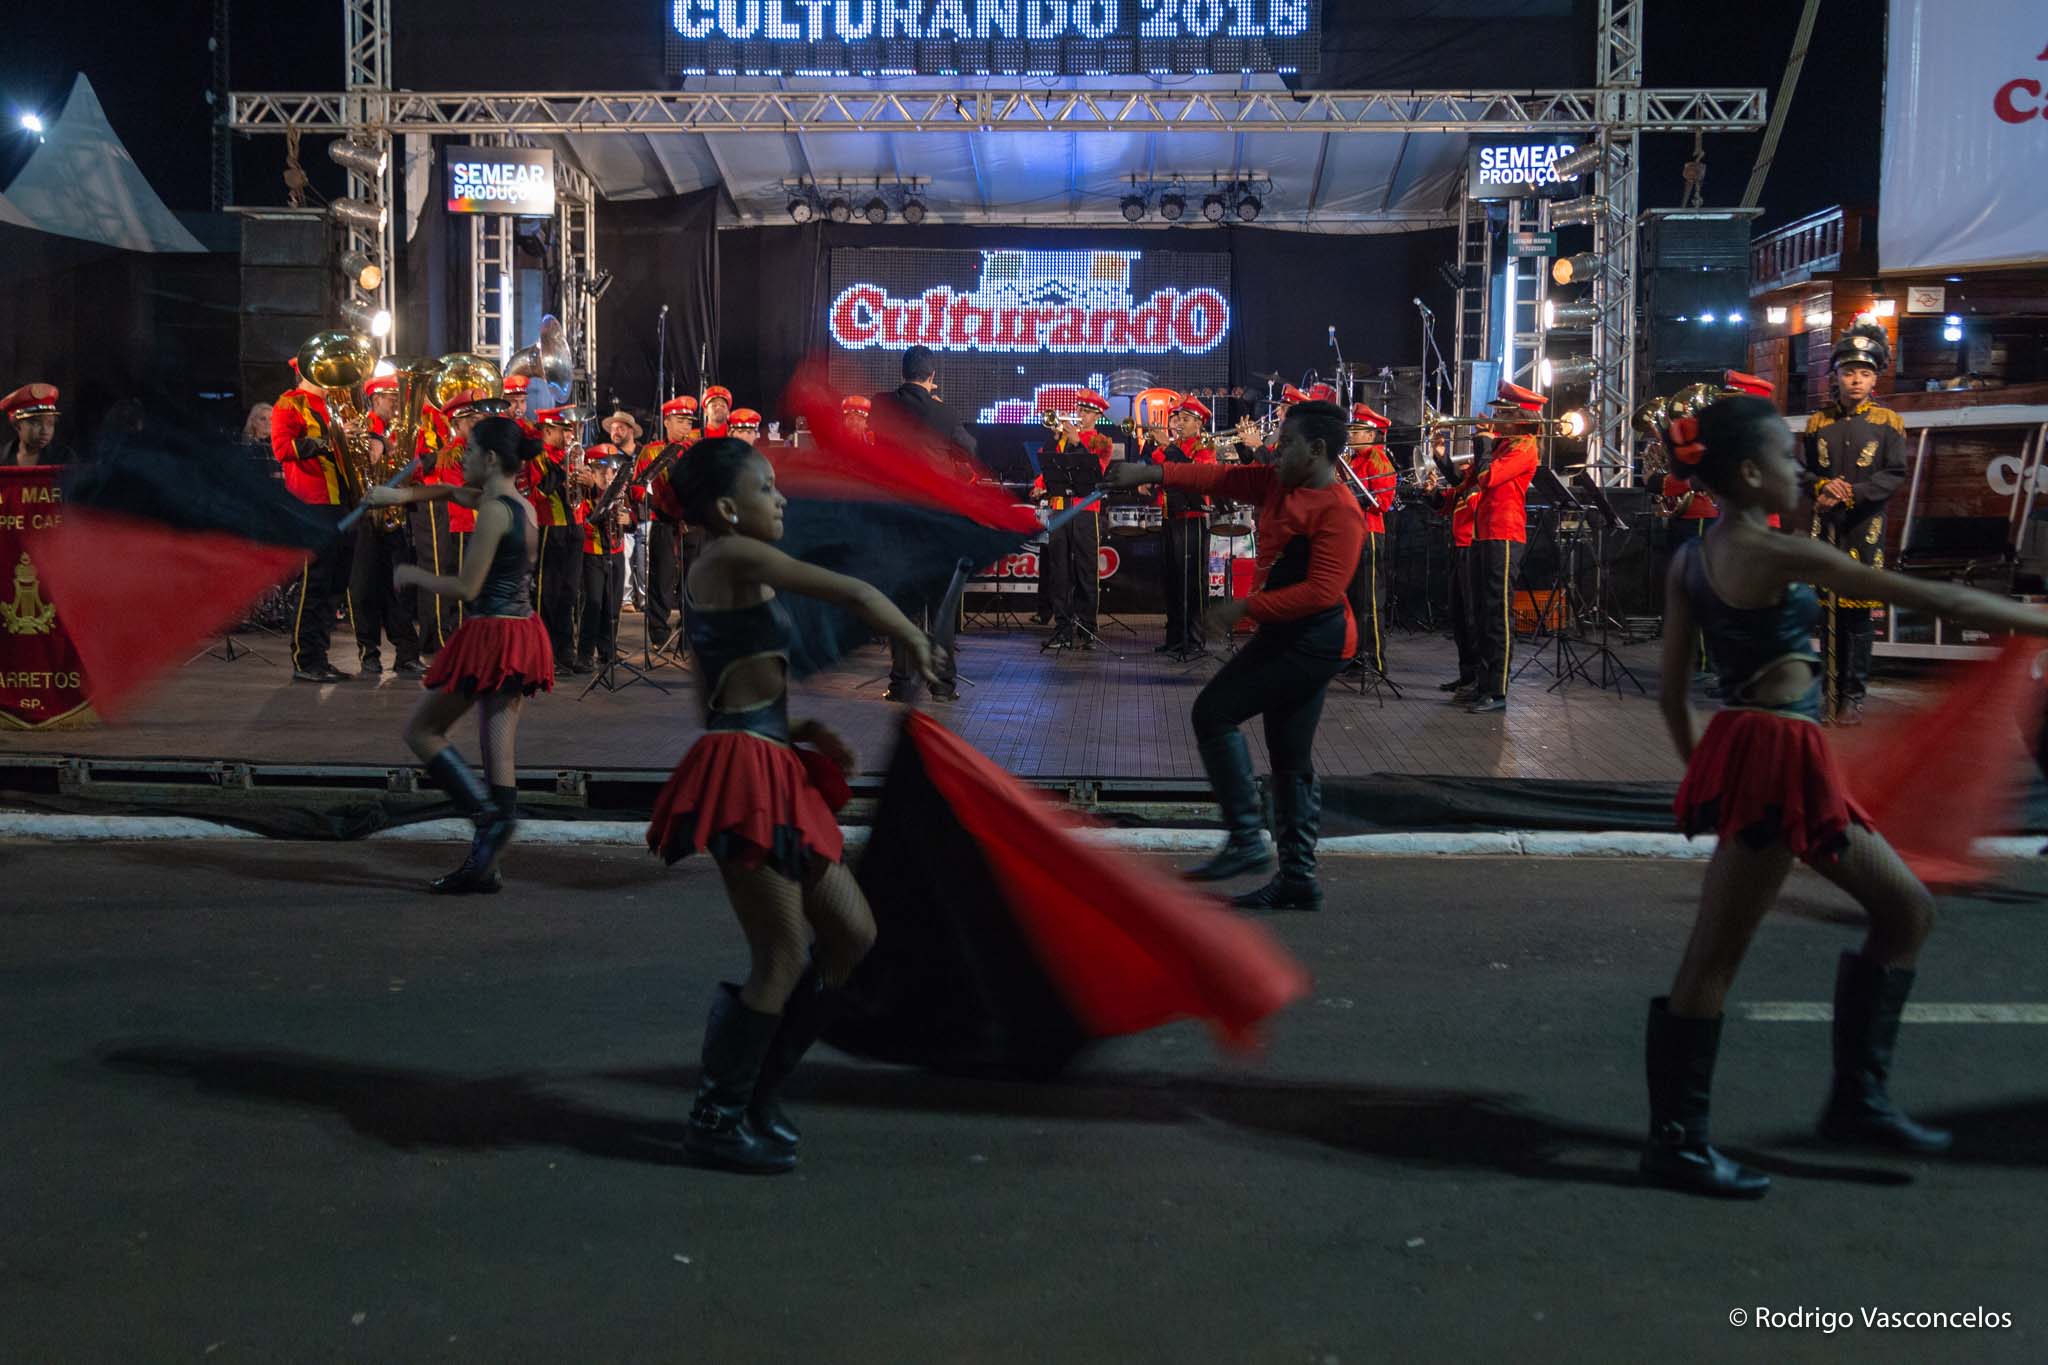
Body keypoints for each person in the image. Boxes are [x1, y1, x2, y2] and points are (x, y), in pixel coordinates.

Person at [1644, 393, 2048, 1199]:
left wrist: (1705, 777)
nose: (1801, 470)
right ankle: (1678, 1145)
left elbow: (1671, 695)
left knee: (1905, 910)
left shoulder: (1691, 559)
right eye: (1786, 457)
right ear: (1750, 473)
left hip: (1765, 755)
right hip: (1777, 758)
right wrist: (2033, 619)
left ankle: (1856, 1104)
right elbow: (1936, 599)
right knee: (1714, 956)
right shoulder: (1777, 551)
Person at [644, 436, 938, 1173]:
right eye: (767, 489)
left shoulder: (723, 565)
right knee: (779, 953)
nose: (782, 500)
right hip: (747, 772)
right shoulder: (732, 556)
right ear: (725, 508)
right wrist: (910, 633)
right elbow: (853, 593)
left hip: (765, 756)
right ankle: (717, 1116)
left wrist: (798, 728)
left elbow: (719, 691)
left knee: (851, 934)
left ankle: (756, 1095)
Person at [1107, 400, 1365, 910]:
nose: (1274, 450)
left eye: (1285, 443)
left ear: (1316, 450)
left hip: (1314, 639)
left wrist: (1243, 608)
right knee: (1289, 756)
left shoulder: (1339, 511)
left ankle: (1247, 839)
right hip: (1293, 635)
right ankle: (1297, 880)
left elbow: (1321, 592)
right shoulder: (1277, 483)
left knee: (1214, 712)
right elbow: (1218, 476)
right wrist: (1151, 471)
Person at [362, 416, 554, 894]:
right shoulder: (520, 505)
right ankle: (486, 866)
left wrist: (414, 576)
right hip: (521, 632)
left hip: (492, 635)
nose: (460, 459)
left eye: (468, 452)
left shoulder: (493, 512)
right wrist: (399, 496)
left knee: (423, 731)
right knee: (497, 748)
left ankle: (487, 819)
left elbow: (467, 587)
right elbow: (450, 492)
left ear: (489, 458)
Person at [1805, 321, 1908, 726]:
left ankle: (1853, 696)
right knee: (1827, 614)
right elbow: (1803, 472)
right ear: (1836, 376)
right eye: (1849, 372)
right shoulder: (1818, 422)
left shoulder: (1888, 422)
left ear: (1875, 378)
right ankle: (1828, 695)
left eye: (1864, 373)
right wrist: (1821, 487)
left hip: (1864, 530)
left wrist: (1852, 493)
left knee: (1859, 617)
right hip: (1826, 528)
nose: (1856, 380)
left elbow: (1894, 474)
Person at [874, 346, 971, 702]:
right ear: (932, 377)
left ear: (902, 373)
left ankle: (902, 683)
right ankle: (942, 685)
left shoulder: (882, 405)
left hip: (898, 521)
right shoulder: (945, 413)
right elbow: (970, 450)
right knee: (941, 606)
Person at [271, 366, 357, 682]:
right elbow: (282, 449)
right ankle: (305, 660)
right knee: (314, 583)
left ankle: (319, 656)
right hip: (312, 502)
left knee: (334, 585)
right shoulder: (290, 402)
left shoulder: (334, 405)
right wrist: (331, 441)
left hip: (342, 501)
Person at [1464, 382, 1544, 714]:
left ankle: (1497, 690)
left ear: (1519, 418)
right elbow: (1471, 478)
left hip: (1505, 533)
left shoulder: (1524, 447)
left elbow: (1488, 478)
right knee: (1482, 611)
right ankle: (1482, 683)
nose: (1496, 419)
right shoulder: (1503, 445)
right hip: (1484, 531)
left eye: (1503, 414)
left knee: (1498, 612)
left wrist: (1484, 442)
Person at [352, 373, 425, 678]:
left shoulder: (400, 430)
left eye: (398, 398)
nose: (397, 404)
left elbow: (414, 471)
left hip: (394, 517)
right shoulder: (363, 426)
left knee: (399, 589)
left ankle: (406, 653)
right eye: (392, 398)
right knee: (365, 587)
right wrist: (382, 444)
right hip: (366, 518)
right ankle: (369, 653)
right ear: (376, 398)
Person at [1143, 396, 1218, 658]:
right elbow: (1157, 468)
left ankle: (1194, 639)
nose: (1179, 423)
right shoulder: (1172, 447)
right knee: (1172, 579)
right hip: (1170, 516)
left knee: (1193, 582)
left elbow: (1194, 474)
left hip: (1193, 517)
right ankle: (1174, 637)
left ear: (1199, 423)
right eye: (1178, 419)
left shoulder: (1204, 447)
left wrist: (1167, 447)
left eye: (1186, 419)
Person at [1040, 390, 1112, 649]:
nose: (1080, 415)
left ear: (1097, 416)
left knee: (1086, 569)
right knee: (1059, 570)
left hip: (1086, 510)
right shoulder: (1061, 439)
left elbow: (1096, 471)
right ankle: (1062, 628)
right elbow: (1048, 466)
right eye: (1079, 410)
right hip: (1060, 507)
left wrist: (1077, 441)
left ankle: (1087, 628)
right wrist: (1040, 484)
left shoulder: (1102, 441)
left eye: (1086, 412)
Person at [634, 396, 699, 648]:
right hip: (663, 523)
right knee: (661, 579)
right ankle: (659, 633)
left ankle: (688, 633)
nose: (685, 427)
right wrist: (656, 501)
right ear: (667, 422)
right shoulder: (651, 451)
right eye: (680, 421)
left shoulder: (694, 450)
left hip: (692, 525)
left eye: (688, 422)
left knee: (691, 581)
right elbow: (637, 488)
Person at [526, 407, 583, 670]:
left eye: (570, 430)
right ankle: (544, 650)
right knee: (547, 593)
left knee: (569, 592)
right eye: (564, 430)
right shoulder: (538, 457)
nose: (570, 435)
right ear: (547, 431)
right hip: (550, 527)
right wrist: (559, 472)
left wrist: (588, 481)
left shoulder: (573, 455)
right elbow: (535, 493)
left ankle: (565, 649)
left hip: (575, 526)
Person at [1427, 434, 1482, 698]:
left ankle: (1479, 678)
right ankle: (1467, 674)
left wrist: (1462, 481)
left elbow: (1477, 506)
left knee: (1473, 617)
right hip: (1458, 548)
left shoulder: (1481, 480)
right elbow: (1445, 505)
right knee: (1459, 616)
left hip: (1472, 548)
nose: (1466, 461)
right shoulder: (1467, 482)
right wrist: (1432, 493)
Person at [1345, 404, 1398, 676]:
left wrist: (1351, 486)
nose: (1351, 435)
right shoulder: (1353, 460)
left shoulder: (1378, 460)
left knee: (1369, 600)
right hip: (1352, 533)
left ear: (1370, 434)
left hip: (1370, 533)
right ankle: (1356, 656)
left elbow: (1382, 503)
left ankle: (1374, 659)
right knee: (1354, 599)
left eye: (1356, 431)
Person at [574, 446, 629, 671]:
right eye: (602, 472)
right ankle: (585, 654)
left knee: (612, 604)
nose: (608, 477)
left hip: (616, 551)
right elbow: (586, 520)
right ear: (591, 473)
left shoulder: (618, 493)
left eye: (611, 472)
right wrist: (597, 492)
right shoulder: (584, 494)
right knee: (593, 604)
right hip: (592, 553)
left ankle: (608, 649)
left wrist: (628, 520)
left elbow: (631, 518)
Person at [2, 384, 70, 466]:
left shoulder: (65, 457)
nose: (45, 431)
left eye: (50, 423)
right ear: (17, 425)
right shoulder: (2, 456)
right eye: (36, 423)